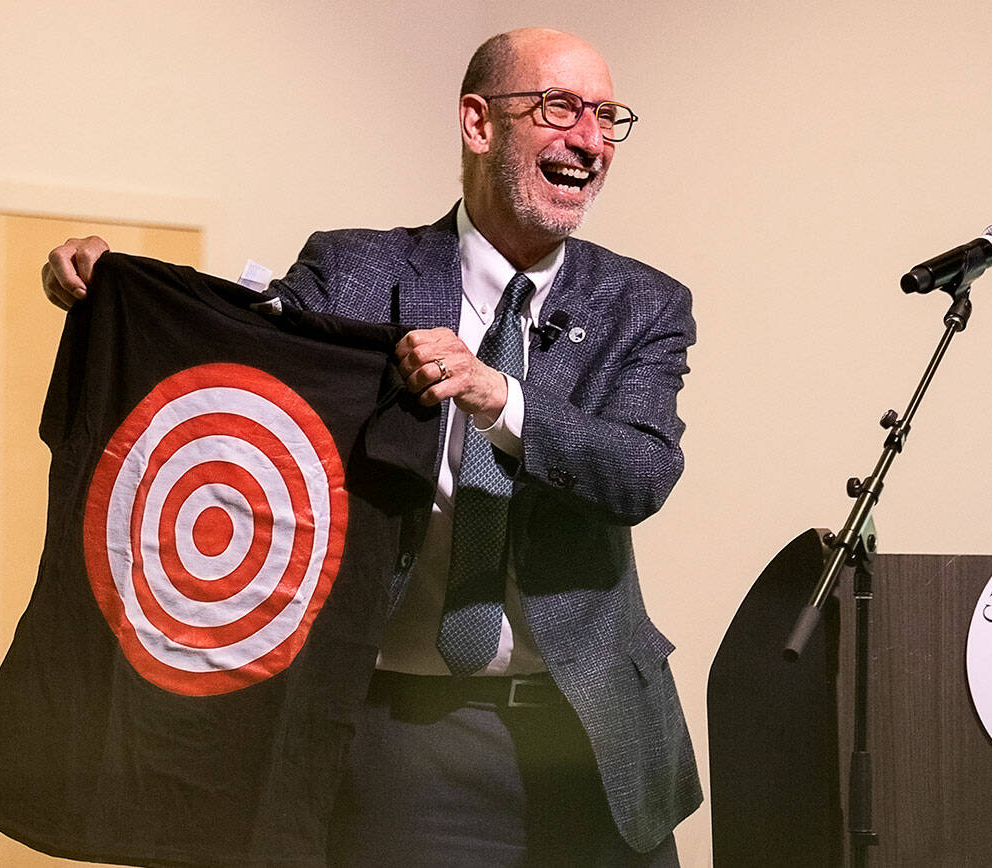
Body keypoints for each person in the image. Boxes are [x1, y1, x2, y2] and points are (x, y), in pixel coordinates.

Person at [42, 26, 700, 866]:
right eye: (559, 107)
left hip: (595, 740)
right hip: (402, 741)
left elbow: (642, 470)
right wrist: (112, 287)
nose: (591, 140)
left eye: (608, 117)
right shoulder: (354, 269)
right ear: (478, 122)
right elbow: (247, 368)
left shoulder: (642, 302)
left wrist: (502, 398)